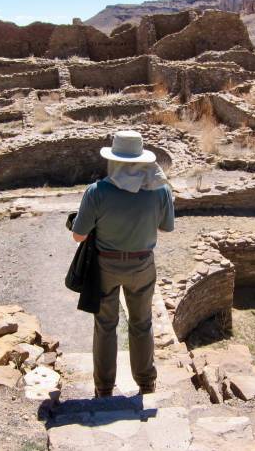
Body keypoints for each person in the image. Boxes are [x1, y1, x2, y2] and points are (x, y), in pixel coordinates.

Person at [71, 130, 175, 398]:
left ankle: (104, 387)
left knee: (106, 326)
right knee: (142, 323)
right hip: (142, 265)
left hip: (105, 267)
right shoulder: (160, 189)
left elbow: (78, 236)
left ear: (114, 160)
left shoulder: (97, 192)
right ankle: (146, 382)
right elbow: (166, 228)